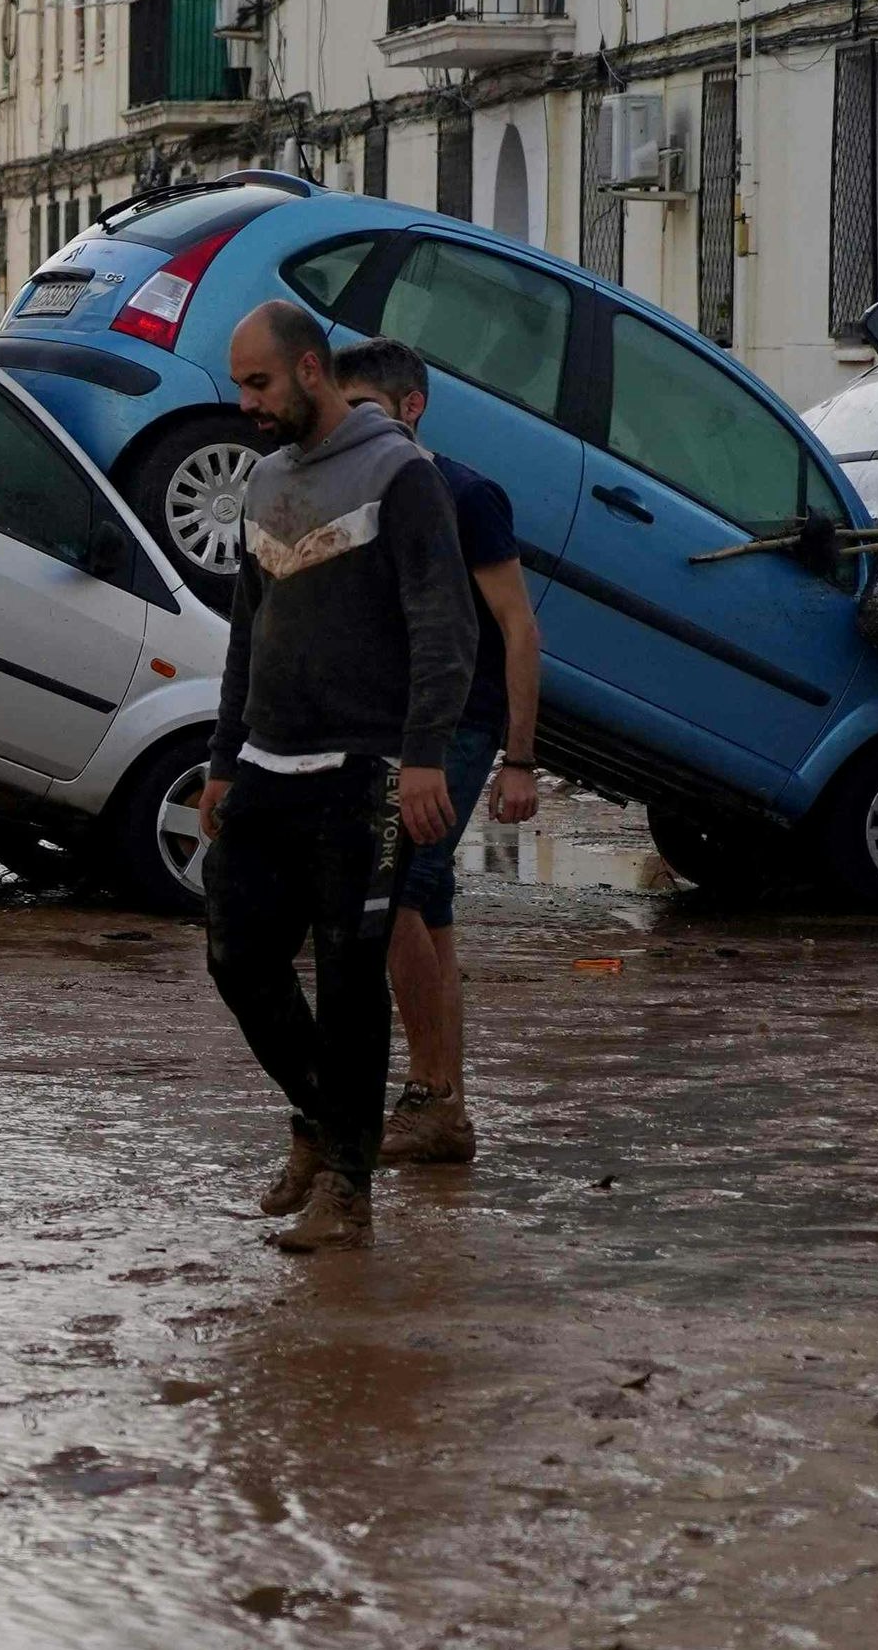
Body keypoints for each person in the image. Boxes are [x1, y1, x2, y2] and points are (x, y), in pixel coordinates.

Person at [199, 301, 477, 1252]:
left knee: (354, 983)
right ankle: (327, 1125)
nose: (247, 404)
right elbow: (247, 632)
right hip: (267, 769)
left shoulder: (401, 476)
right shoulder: (264, 481)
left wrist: (425, 756)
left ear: (311, 370)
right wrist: (222, 760)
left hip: (366, 773)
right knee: (237, 957)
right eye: (241, 386)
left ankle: (348, 1191)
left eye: (260, 384)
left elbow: (448, 625)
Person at [332, 338, 543, 1168]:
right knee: (428, 911)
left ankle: (426, 1095)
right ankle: (444, 1107)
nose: (351, 430)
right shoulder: (358, 493)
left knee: (395, 902)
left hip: (458, 724)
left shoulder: (466, 494)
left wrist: (519, 760)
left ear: (410, 407)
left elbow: (519, 627)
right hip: (392, 725)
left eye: (366, 412)